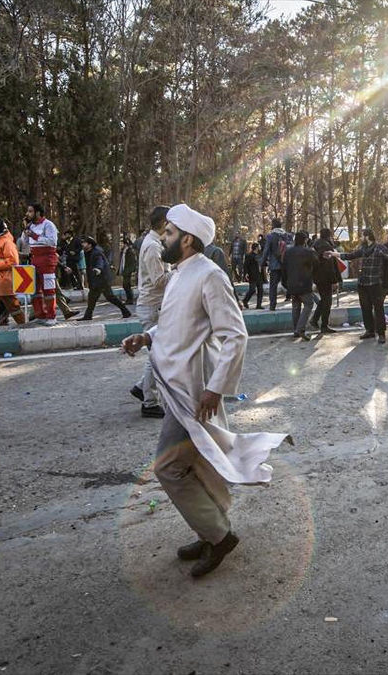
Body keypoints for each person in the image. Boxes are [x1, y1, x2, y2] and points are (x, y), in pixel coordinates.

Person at [120, 203, 289, 578]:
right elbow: (177, 327)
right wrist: (146, 336)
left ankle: (219, 534)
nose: (162, 238)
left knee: (167, 467)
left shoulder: (209, 275)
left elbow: (235, 334)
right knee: (198, 464)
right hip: (176, 387)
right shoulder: (179, 274)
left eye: (167, 233)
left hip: (194, 393)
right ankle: (210, 529)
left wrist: (216, 389)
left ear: (187, 239)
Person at [132, 205, 171, 418]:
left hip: (154, 305)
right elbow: (159, 281)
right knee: (158, 356)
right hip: (152, 306)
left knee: (157, 353)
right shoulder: (153, 247)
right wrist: (182, 271)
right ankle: (148, 402)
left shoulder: (155, 243)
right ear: (164, 223)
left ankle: (141, 387)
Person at [333, 229, 388, 344]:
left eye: (362, 236)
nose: (361, 238)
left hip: (375, 284)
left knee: (378, 309)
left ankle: (381, 333)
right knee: (365, 308)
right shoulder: (363, 249)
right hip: (363, 283)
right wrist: (337, 255)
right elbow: (352, 255)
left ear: (367, 236)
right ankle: (369, 330)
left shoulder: (379, 248)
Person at [20, 202, 60, 325]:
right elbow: (24, 242)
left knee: (48, 289)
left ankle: (51, 316)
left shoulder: (49, 225)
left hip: (47, 260)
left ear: (37, 213)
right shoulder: (30, 226)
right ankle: (40, 315)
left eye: (30, 211)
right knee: (35, 290)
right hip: (34, 259)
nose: (27, 214)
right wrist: (26, 229)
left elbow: (52, 241)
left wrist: (35, 235)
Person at [78, 236, 132, 320]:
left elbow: (100, 261)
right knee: (92, 298)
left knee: (110, 297)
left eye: (84, 243)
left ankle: (126, 311)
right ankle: (88, 316)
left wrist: (98, 269)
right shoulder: (88, 252)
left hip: (101, 280)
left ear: (90, 244)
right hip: (95, 280)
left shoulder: (96, 252)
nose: (82, 244)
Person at [282, 230, 318, 340]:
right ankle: (300, 329)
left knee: (295, 306)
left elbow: (284, 268)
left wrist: (285, 283)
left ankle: (296, 330)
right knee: (308, 304)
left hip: (291, 284)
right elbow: (316, 264)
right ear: (305, 240)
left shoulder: (288, 252)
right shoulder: (308, 252)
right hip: (304, 284)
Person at [310, 228, 341, 334]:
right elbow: (330, 266)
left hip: (317, 277)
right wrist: (334, 280)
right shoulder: (327, 246)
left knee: (324, 300)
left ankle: (315, 319)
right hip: (326, 278)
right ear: (329, 236)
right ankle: (324, 325)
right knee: (327, 301)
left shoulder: (315, 244)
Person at [263, 218, 292, 311]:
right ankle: (299, 296)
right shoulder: (288, 236)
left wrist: (261, 263)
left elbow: (266, 251)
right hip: (286, 264)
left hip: (275, 265)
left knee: (273, 286)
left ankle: (272, 306)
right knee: (287, 283)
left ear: (273, 225)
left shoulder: (270, 236)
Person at [241, 242, 264, 310]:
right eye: (259, 246)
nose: (260, 247)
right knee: (252, 290)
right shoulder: (249, 255)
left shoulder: (260, 255)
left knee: (260, 290)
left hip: (259, 275)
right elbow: (245, 265)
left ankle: (259, 305)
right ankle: (245, 301)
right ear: (256, 247)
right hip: (252, 275)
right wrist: (246, 273)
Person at [120, 232, 139, 304]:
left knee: (126, 285)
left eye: (121, 243)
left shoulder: (130, 251)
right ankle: (129, 299)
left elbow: (132, 263)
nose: (120, 245)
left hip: (128, 271)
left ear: (125, 244)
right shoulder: (124, 251)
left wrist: (129, 271)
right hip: (125, 270)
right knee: (125, 285)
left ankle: (130, 299)